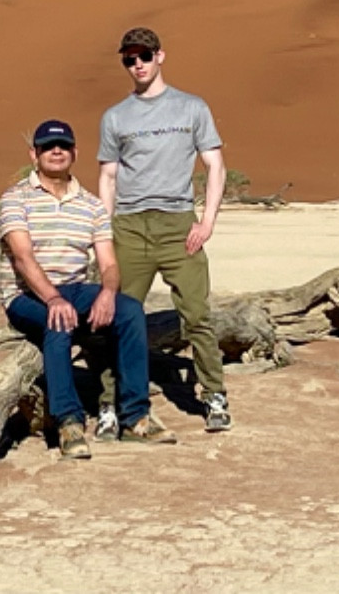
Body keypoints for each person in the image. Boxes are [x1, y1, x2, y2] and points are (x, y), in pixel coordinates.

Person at [0, 118, 174, 459]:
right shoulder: (15, 198)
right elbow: (22, 258)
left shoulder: (92, 205)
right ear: (34, 153)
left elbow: (108, 264)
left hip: (77, 287)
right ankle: (68, 421)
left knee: (130, 310)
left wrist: (108, 293)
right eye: (48, 146)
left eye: (63, 145)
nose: (56, 151)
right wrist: (52, 298)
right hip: (25, 296)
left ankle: (135, 417)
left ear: (75, 152)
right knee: (58, 322)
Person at [96, 26, 232, 437]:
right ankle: (109, 405)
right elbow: (108, 178)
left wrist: (206, 221)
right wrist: (105, 233)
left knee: (197, 315)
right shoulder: (115, 116)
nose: (137, 64)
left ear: (160, 57)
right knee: (115, 318)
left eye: (144, 56)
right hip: (130, 228)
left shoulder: (192, 108)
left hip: (178, 226)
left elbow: (216, 166)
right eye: (129, 59)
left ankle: (214, 396)